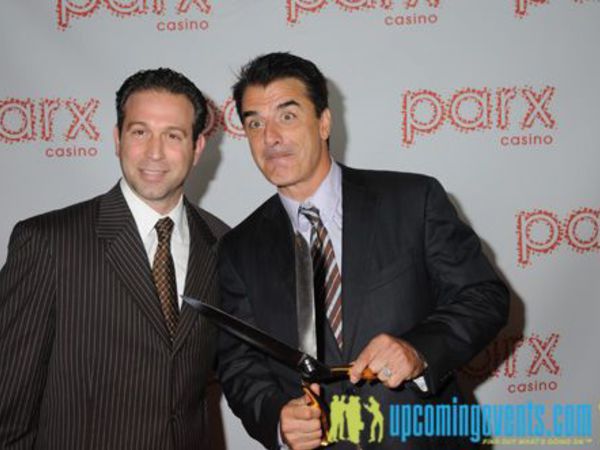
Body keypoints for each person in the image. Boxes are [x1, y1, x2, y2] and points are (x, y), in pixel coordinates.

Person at [216, 52, 508, 449]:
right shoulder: (238, 249)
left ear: (323, 122)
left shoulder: (412, 200)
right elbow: (239, 363)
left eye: (287, 116)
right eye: (255, 123)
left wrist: (418, 349)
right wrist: (277, 419)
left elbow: (483, 296)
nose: (271, 137)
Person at [0, 68, 228, 449]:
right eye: (140, 132)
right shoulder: (48, 243)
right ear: (117, 139)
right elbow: (8, 408)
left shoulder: (221, 243)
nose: (154, 152)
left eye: (173, 135)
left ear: (198, 147)